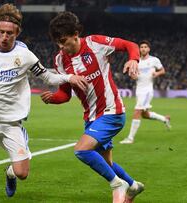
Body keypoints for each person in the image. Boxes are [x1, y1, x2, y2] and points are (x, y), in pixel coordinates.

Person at [0, 4, 87, 203]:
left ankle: (9, 172)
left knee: (22, 173)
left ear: (17, 32)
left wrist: (69, 78)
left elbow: (48, 78)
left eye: (9, 33)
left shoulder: (25, 55)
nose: (5, 36)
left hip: (10, 123)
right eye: (1, 32)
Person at [40, 11, 144, 203]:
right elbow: (65, 94)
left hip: (112, 112)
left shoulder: (95, 43)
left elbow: (130, 45)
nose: (62, 46)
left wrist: (133, 59)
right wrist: (52, 98)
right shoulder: (60, 60)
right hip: (91, 117)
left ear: (75, 33)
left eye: (64, 41)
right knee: (106, 162)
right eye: (58, 43)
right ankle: (133, 185)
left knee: (82, 150)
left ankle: (117, 184)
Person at [120, 40, 171, 144]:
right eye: (141, 47)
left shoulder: (154, 60)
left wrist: (157, 74)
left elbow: (163, 70)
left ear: (149, 49)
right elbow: (134, 75)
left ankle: (130, 138)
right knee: (145, 115)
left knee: (137, 112)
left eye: (145, 47)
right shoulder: (136, 61)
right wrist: (133, 76)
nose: (143, 48)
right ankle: (164, 119)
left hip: (147, 91)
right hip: (139, 90)